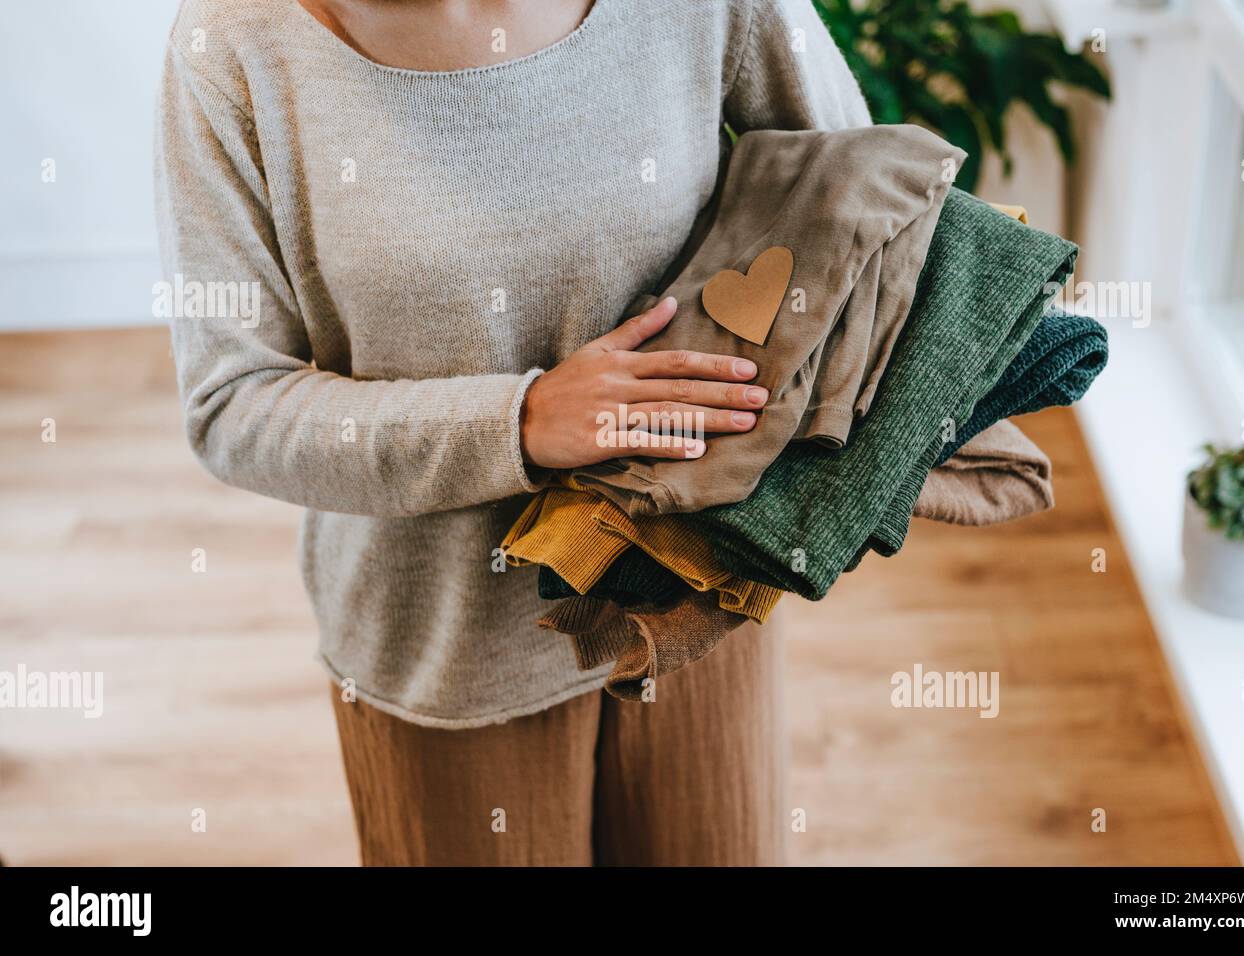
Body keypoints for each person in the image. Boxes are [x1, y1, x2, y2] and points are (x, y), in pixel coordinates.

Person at [155, 0, 870, 865]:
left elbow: (862, 199)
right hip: (448, 653)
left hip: (698, 600)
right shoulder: (235, 43)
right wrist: (521, 422)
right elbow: (233, 405)